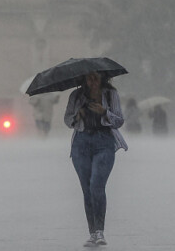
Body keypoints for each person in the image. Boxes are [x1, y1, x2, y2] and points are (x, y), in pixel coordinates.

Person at [64, 71, 127, 247]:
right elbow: (67, 120)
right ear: (84, 79)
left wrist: (104, 112)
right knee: (87, 189)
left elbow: (119, 120)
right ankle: (92, 232)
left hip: (104, 142)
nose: (92, 81)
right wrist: (78, 116)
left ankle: (100, 231)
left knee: (97, 185)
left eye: (96, 77)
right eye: (89, 77)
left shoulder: (110, 94)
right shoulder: (76, 95)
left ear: (102, 78)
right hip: (81, 143)